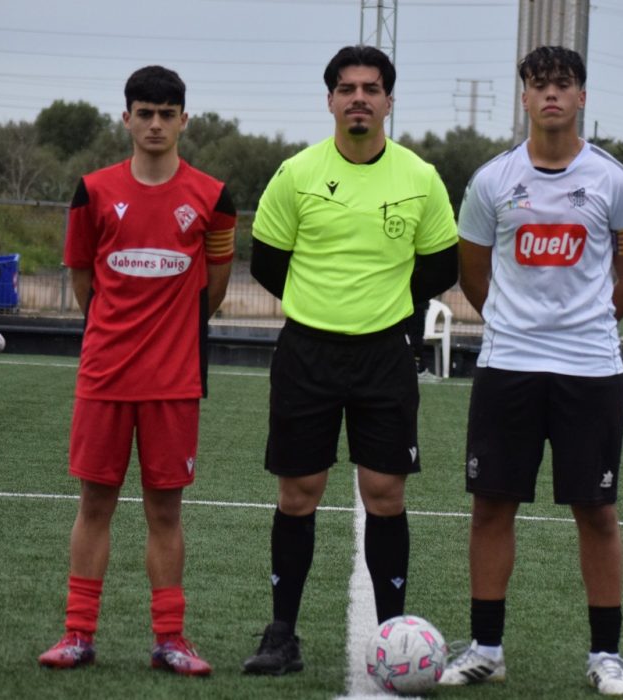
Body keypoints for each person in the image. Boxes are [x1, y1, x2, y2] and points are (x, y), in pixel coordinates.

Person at [241, 45, 458, 676]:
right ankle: (282, 635)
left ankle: (394, 637)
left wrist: (385, 307)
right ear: (330, 100)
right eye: (347, 88)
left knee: (385, 493)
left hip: (384, 354)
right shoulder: (296, 174)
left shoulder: (419, 177)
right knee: (298, 492)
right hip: (307, 353)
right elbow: (268, 263)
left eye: (371, 88)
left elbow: (440, 267)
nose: (358, 98)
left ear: (389, 100)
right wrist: (324, 305)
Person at [439, 46, 623, 697]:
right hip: (508, 365)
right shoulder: (491, 181)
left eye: (563, 84)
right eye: (539, 85)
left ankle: (606, 655)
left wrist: (583, 328)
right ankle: (486, 648)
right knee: (491, 507)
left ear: (581, 96)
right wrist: (515, 325)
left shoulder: (614, 180)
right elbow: (474, 274)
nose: (551, 94)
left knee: (597, 511)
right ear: (524, 97)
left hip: (590, 369)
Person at [39, 65, 235, 675]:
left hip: (174, 382)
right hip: (104, 377)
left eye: (166, 114)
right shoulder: (92, 191)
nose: (155, 124)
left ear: (184, 120)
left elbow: (215, 287)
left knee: (165, 512)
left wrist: (170, 337)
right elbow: (83, 279)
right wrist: (116, 333)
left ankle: (171, 638)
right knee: (94, 503)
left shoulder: (213, 197)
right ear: (126, 119)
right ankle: (77, 633)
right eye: (144, 113)